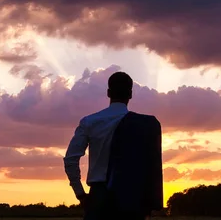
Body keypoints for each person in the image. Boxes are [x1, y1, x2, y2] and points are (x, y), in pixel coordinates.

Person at [63, 71, 163, 220]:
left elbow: (70, 159)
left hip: (99, 197)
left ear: (108, 92)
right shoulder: (145, 125)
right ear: (130, 94)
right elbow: (152, 168)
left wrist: (80, 194)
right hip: (131, 199)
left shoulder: (90, 122)